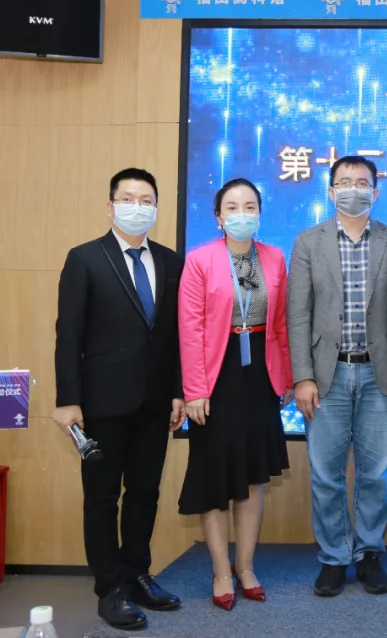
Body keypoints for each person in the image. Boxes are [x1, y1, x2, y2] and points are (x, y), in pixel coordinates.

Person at [53, 168, 185, 631]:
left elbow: (174, 336)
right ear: (111, 207)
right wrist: (68, 400)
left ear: (156, 208)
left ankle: (137, 574)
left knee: (145, 493)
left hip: (154, 401)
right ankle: (109, 588)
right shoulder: (85, 258)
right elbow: (68, 335)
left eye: (146, 199)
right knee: (102, 497)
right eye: (127, 198)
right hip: (100, 403)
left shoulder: (170, 261)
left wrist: (177, 392)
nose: (137, 206)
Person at [287, 156, 387, 597]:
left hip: (379, 373)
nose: (352, 189)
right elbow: (298, 315)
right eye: (344, 182)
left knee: (375, 472)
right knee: (326, 473)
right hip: (326, 375)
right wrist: (302, 376)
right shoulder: (308, 241)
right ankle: (335, 557)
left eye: (362, 183)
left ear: (375, 192)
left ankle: (370, 552)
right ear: (330, 191)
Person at [177, 178, 293, 611]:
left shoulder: (275, 257)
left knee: (252, 475)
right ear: (218, 216)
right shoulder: (200, 259)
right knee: (215, 477)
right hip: (216, 376)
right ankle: (221, 571)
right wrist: (194, 389)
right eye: (232, 207)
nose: (241, 213)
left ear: (260, 213)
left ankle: (245, 566)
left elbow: (281, 325)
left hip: (260, 374)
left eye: (249, 206)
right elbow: (190, 329)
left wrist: (285, 378)